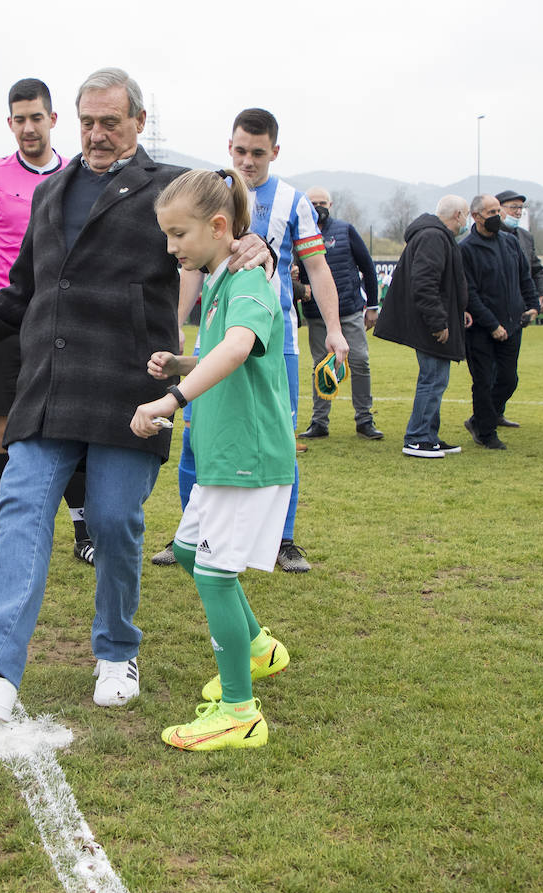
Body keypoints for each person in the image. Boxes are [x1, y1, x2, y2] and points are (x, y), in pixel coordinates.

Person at [0, 68, 269, 719]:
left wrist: (250, 243)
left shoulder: (165, 189)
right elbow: (20, 295)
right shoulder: (49, 192)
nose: (95, 134)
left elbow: (216, 223)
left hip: (129, 391)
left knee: (116, 524)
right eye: (87, 121)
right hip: (49, 387)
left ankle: (118, 648)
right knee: (21, 505)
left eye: (110, 123)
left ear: (138, 123)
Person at [131, 168, 292, 750]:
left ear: (219, 227)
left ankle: (239, 712)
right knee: (185, 551)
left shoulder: (248, 279)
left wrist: (172, 396)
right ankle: (257, 649)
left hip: (246, 456)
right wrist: (180, 364)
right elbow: (223, 352)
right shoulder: (222, 280)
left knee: (215, 574)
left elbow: (239, 346)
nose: (171, 247)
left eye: (178, 234)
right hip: (224, 454)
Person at [155, 108, 348, 573]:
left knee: (277, 438)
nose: (248, 160)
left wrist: (336, 330)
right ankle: (194, 531)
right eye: (240, 150)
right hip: (217, 331)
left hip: (269, 338)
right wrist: (179, 324)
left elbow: (317, 268)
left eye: (258, 152)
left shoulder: (292, 201)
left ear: (274, 152)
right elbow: (193, 270)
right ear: (229, 148)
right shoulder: (205, 193)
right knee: (198, 435)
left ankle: (282, 539)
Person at [0, 78, 92, 574]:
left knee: (72, 427)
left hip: (67, 322)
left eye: (37, 117)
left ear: (54, 120)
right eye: (20, 119)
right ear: (9, 122)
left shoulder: (79, 175)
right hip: (11, 323)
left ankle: (84, 532)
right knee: (1, 432)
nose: (28, 127)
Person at [373, 196, 470, 458]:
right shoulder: (433, 237)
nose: (466, 222)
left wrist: (458, 312)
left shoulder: (434, 236)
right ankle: (417, 438)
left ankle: (429, 435)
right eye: (467, 216)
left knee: (436, 379)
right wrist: (438, 322)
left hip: (433, 320)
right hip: (429, 324)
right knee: (433, 379)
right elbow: (424, 282)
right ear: (459, 215)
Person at [298, 187, 382, 440]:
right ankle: (319, 422)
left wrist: (373, 306)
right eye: (313, 203)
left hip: (349, 310)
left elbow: (367, 266)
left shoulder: (345, 230)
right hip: (316, 315)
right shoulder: (300, 233)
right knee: (321, 366)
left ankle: (364, 419)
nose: (318, 207)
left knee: (360, 362)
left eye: (322, 202)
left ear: (331, 204)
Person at [459, 194, 538, 450]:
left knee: (508, 379)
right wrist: (492, 325)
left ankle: (479, 420)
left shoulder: (510, 243)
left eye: (497, 212)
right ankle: (487, 433)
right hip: (481, 329)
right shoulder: (466, 249)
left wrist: (533, 305)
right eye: (491, 212)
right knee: (483, 381)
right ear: (476, 216)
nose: (497, 217)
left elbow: (524, 277)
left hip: (513, 324)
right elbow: (469, 293)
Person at [496, 191, 543, 315]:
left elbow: (536, 270)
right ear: (498, 209)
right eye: (514, 207)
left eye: (521, 207)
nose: (518, 212)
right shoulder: (489, 236)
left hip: (519, 310)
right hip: (494, 309)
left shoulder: (525, 237)